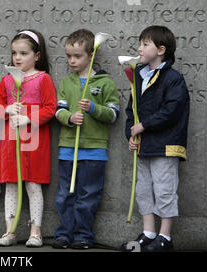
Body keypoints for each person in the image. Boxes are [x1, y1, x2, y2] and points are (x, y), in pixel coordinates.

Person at [121, 25, 190, 252]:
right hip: (144, 146)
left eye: (144, 44)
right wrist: (131, 132)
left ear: (161, 49)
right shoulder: (138, 77)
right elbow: (131, 110)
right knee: (143, 190)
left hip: (165, 145)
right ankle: (149, 233)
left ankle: (165, 236)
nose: (139, 48)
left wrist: (144, 125)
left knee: (164, 189)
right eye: (140, 43)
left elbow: (172, 111)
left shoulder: (173, 79)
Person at [52, 29, 120, 250]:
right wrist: (70, 117)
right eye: (69, 56)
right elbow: (58, 111)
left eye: (77, 56)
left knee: (88, 195)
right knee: (65, 195)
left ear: (91, 55)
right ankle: (64, 234)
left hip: (94, 151)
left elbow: (113, 114)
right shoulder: (66, 83)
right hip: (68, 149)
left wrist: (93, 108)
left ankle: (83, 235)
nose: (72, 61)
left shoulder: (105, 83)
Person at [0, 30, 57, 247]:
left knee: (32, 184)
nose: (17, 58)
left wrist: (28, 118)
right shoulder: (6, 80)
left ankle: (35, 231)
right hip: (11, 141)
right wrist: (8, 109)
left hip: (35, 141)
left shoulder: (43, 79)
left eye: (23, 53)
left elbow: (50, 109)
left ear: (37, 56)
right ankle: (9, 231)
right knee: (11, 184)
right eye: (14, 53)